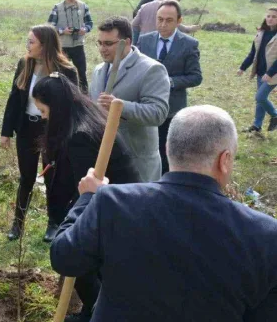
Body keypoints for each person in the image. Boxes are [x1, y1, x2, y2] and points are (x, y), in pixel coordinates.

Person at [51, 105, 277, 321]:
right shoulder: (265, 235)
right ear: (225, 159)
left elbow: (64, 258)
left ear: (167, 149)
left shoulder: (113, 203)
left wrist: (87, 198)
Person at [31, 73, 140, 322]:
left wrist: (72, 221)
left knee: (80, 259)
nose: (43, 118)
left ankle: (95, 311)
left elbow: (87, 193)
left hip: (115, 211)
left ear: (56, 108)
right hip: (120, 203)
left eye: (44, 112)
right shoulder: (84, 114)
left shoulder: (80, 137)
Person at [1, 25, 79, 241]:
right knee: (26, 177)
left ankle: (54, 223)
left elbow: (75, 104)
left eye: (31, 42)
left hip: (52, 130)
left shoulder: (66, 70)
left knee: (52, 177)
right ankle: (17, 224)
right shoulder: (25, 64)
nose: (28, 46)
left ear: (45, 45)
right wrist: (6, 131)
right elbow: (14, 98)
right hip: (27, 127)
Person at [89, 17, 170, 183]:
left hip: (137, 163)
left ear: (126, 42)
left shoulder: (151, 69)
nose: (102, 49)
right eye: (100, 43)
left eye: (108, 44)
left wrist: (119, 107)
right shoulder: (98, 70)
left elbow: (158, 113)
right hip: (105, 162)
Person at [137, 0, 202, 174]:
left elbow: (196, 77)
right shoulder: (144, 40)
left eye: (169, 20)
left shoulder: (189, 44)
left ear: (179, 21)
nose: (163, 24)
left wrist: (170, 82)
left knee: (166, 151)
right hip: (147, 106)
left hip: (172, 109)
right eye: (159, 19)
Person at [47, 0, 92, 92]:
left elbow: (90, 23)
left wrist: (84, 29)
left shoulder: (83, 6)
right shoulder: (57, 8)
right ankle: (59, 93)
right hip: (63, 46)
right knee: (60, 73)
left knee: (82, 73)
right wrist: (62, 31)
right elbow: (49, 28)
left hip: (78, 45)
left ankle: (84, 96)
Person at [238, 7, 277, 135]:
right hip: (260, 72)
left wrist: (269, 73)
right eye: (269, 16)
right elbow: (253, 53)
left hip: (273, 74)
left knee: (260, 97)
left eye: (274, 17)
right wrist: (243, 67)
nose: (270, 19)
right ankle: (257, 125)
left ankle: (275, 115)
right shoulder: (261, 33)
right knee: (261, 99)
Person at [132, 0, 201, 43]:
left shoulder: (144, 6)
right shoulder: (167, 8)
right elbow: (176, 25)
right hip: (162, 40)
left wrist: (138, 37)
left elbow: (134, 24)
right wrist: (190, 28)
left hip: (144, 43)